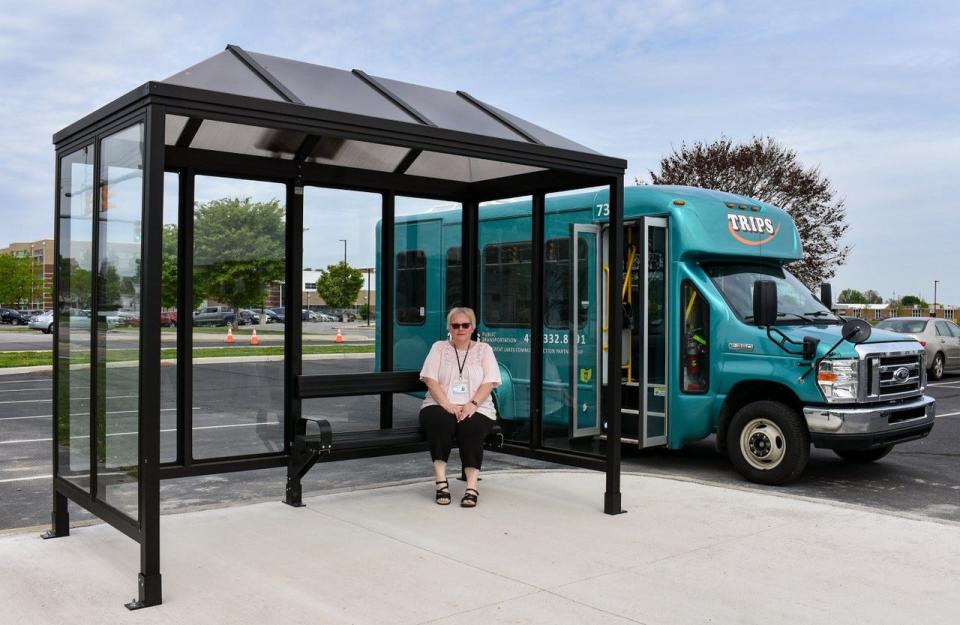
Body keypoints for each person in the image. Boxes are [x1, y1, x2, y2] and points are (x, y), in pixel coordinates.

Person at [419, 307, 501, 507]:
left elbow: (489, 382)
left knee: (471, 426)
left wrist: (472, 404)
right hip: (439, 403)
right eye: (456, 325)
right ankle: (440, 481)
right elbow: (430, 379)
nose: (460, 329)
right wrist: (448, 405)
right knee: (440, 422)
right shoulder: (439, 348)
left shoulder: (484, 350)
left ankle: (471, 486)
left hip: (477, 406)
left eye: (465, 325)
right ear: (450, 328)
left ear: (472, 327)